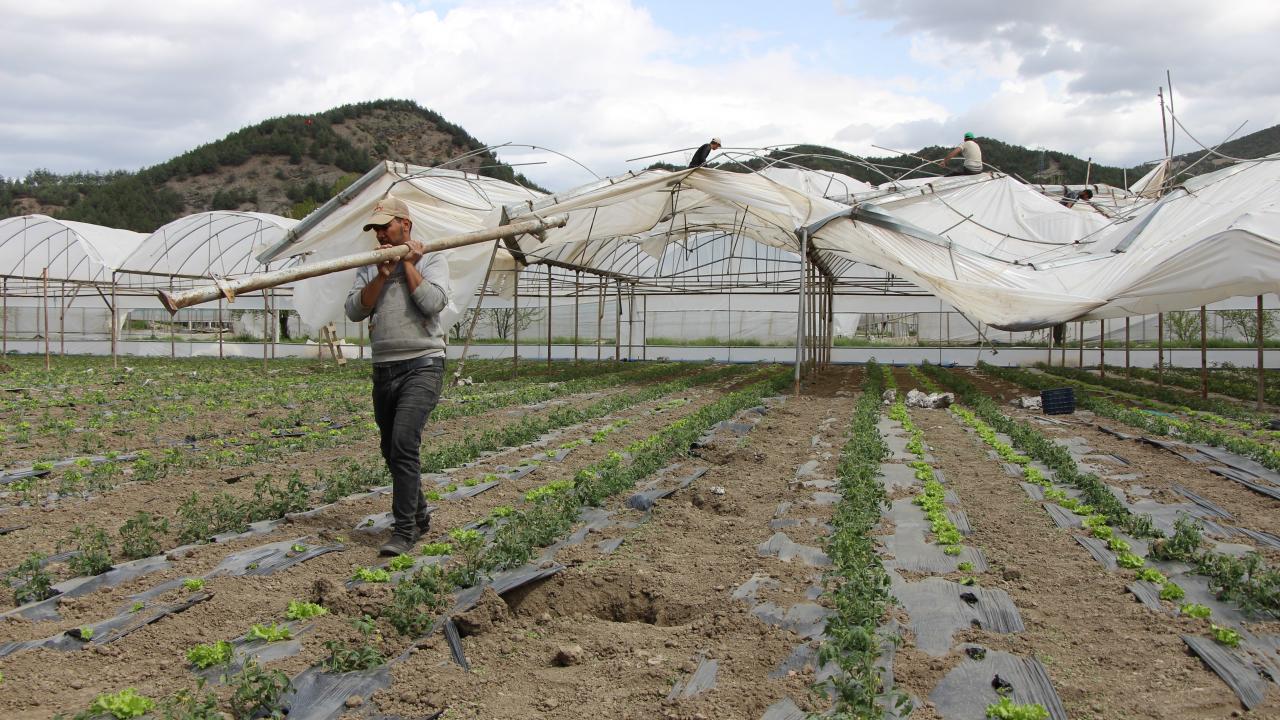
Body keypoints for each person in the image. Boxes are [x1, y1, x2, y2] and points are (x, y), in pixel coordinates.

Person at [344, 195, 452, 556]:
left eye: (386, 227)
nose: (380, 235)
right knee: (391, 450)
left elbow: (434, 303)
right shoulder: (370, 264)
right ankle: (419, 512)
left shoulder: (433, 257)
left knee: (405, 443)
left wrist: (409, 265)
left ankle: (404, 531)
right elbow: (355, 310)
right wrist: (382, 273)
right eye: (375, 229)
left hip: (423, 363)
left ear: (405, 225)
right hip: (384, 368)